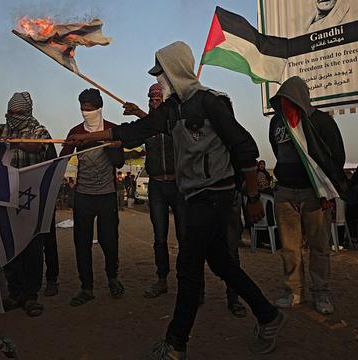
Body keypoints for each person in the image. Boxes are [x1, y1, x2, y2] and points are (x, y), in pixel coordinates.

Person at [70, 41, 284, 358]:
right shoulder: (172, 110)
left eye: (161, 74)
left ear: (175, 71)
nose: (159, 81)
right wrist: (88, 138)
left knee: (187, 265)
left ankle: (175, 344)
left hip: (217, 194)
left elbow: (245, 148)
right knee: (221, 263)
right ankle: (268, 315)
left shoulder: (211, 102)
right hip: (195, 196)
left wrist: (253, 197)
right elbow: (136, 131)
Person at [269, 76, 346, 315]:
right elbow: (276, 149)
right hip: (284, 191)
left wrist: (327, 190)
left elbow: (337, 156)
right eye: (282, 100)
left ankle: (321, 294)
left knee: (319, 246)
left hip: (315, 193)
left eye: (289, 100)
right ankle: (293, 291)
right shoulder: (276, 122)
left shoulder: (320, 121)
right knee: (290, 248)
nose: (285, 105)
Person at [61, 88, 126, 307]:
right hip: (83, 196)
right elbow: (62, 160)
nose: (85, 113)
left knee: (109, 240)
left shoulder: (112, 130)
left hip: (107, 195)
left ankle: (112, 278)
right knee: (82, 242)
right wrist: (72, 145)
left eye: (89, 109)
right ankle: (86, 287)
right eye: (82, 109)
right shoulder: (75, 132)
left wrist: (109, 145)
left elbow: (118, 162)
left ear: (99, 109)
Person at [123, 83, 187, 300]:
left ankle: (190, 283)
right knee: (159, 237)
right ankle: (162, 280)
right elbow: (130, 137)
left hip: (179, 186)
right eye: (151, 98)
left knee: (185, 237)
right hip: (157, 186)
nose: (153, 101)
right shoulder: (146, 127)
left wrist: (139, 113)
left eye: (158, 98)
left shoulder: (176, 123)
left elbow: (169, 129)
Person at [0, 91, 53, 316]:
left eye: (18, 113)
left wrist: (14, 143)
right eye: (10, 113)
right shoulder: (0, 130)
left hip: (30, 201)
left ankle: (30, 295)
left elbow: (38, 147)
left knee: (32, 249)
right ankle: (14, 292)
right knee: (9, 247)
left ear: (27, 113)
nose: (13, 117)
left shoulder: (39, 131)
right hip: (5, 199)